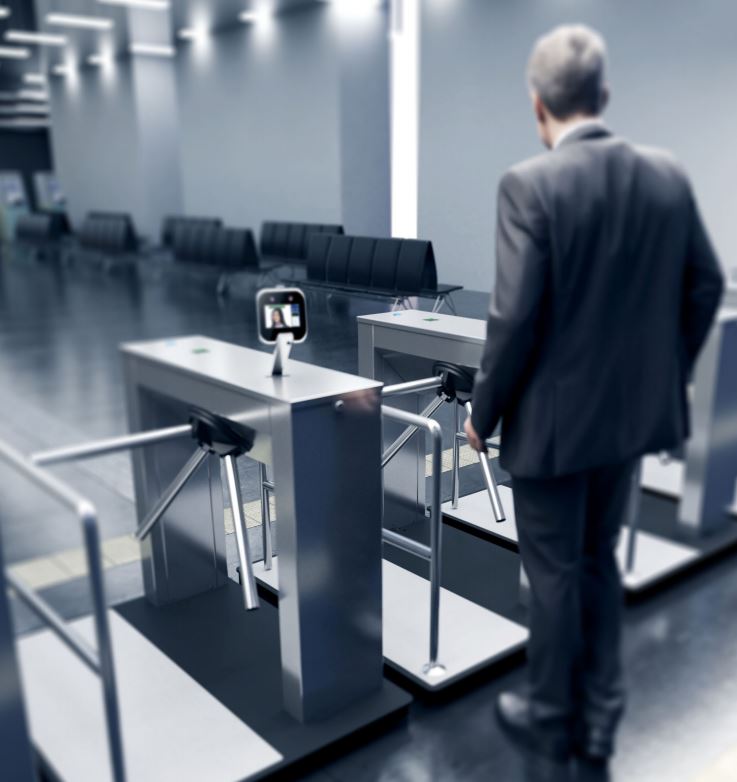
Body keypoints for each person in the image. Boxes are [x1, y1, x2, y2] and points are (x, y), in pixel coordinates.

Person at [463, 23, 724, 768]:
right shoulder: (666, 174)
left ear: (537, 104)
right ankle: (602, 714)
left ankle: (547, 712)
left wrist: (482, 416)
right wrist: (661, 364)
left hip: (550, 432)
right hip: (627, 424)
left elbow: (511, 319)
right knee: (599, 562)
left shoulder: (528, 184)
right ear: (603, 95)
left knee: (550, 578)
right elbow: (704, 284)